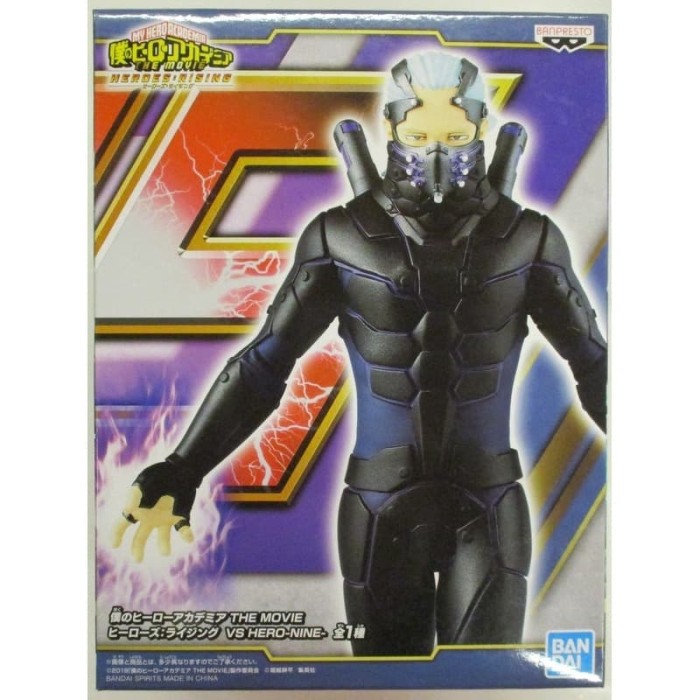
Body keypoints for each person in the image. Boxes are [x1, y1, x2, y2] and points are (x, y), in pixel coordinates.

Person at [113, 51, 607, 656]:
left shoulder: (528, 238)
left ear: (482, 129)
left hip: (487, 508)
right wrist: (183, 467)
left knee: (480, 689)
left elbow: (595, 364)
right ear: (391, 129)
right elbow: (265, 364)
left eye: (454, 136)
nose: (435, 152)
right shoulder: (340, 235)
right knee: (384, 691)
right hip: (379, 513)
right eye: (418, 135)